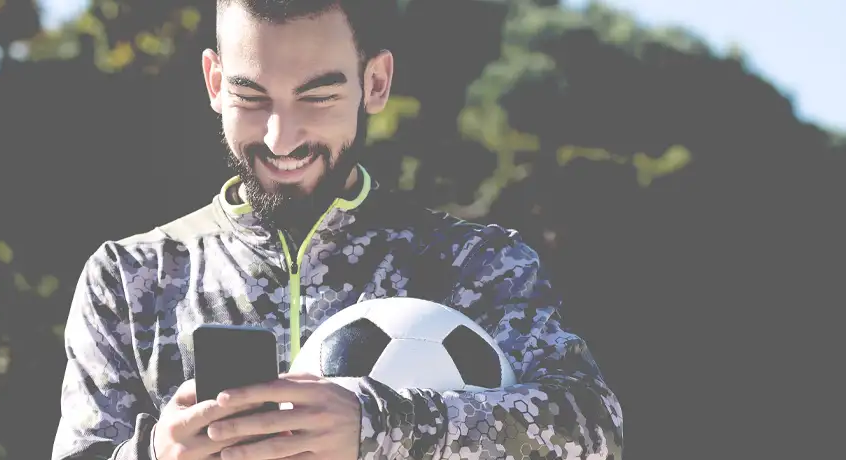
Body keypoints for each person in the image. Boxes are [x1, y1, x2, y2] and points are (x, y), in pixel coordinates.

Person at [52, 1, 624, 459]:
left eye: (318, 96)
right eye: (251, 97)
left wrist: (379, 427)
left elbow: (591, 428)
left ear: (375, 83)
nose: (280, 138)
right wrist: (155, 455)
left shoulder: (479, 263)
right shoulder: (127, 279)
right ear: (215, 81)